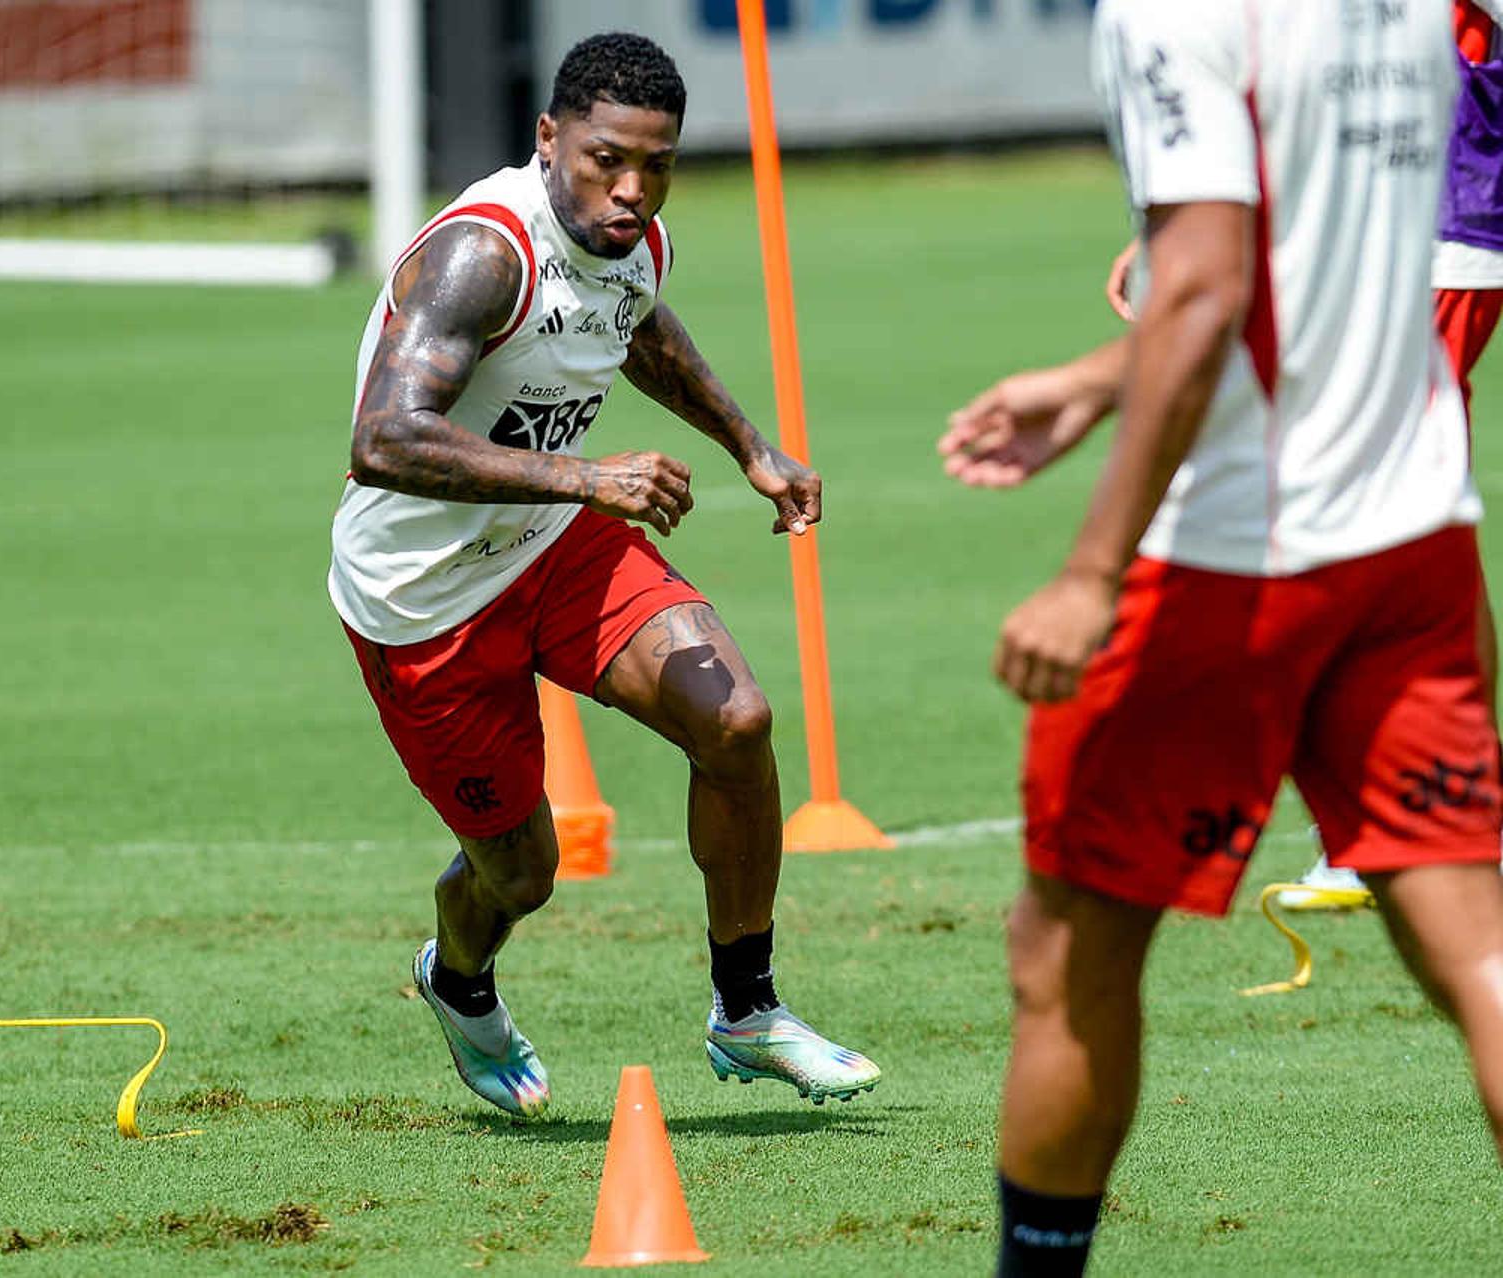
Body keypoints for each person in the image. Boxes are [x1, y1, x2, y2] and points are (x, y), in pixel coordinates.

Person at [938, 2, 1503, 1272]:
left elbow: (1205, 288)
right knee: (1482, 951)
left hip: (1231, 557)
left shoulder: (1173, 10)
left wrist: (1090, 572)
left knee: (1068, 947)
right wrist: (1095, 380)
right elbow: (1307, 260)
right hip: (1414, 535)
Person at [328, 32, 880, 1119]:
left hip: (552, 543)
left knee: (738, 724)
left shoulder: (632, 239)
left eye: (658, 164)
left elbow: (633, 325)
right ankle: (461, 982)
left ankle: (748, 1011)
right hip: (421, 600)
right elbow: (384, 439)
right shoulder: (482, 254)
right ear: (548, 139)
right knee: (523, 874)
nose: (632, 191)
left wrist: (749, 447)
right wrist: (588, 473)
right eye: (605, 160)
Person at [1281, 0, 1503, 908]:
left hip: (1448, 224)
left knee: (1391, 498)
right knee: (1404, 493)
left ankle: (1424, 807)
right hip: (1387, 223)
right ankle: (1437, 802)